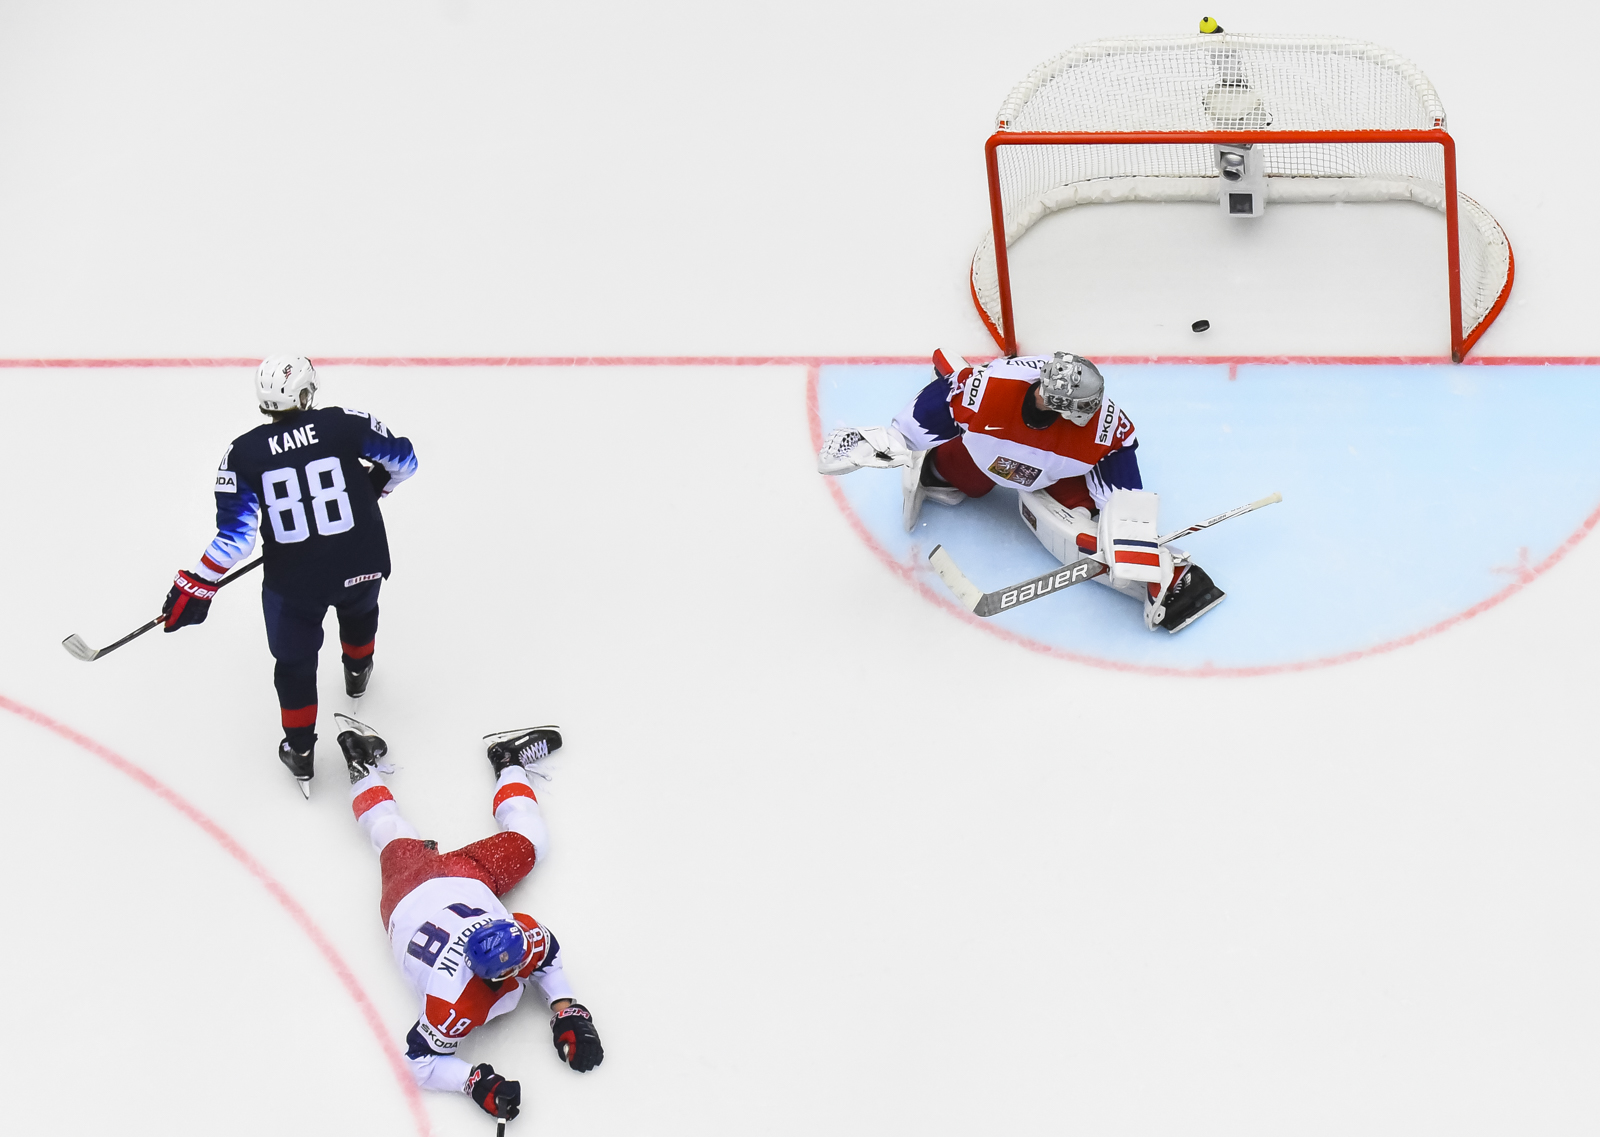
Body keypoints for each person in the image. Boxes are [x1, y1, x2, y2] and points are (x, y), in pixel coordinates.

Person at [818, 349, 1224, 633]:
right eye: (1085, 408)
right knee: (956, 479)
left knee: (1090, 520)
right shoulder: (987, 389)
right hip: (986, 457)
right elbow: (932, 409)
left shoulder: (1104, 424)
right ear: (1057, 402)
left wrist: (1125, 521)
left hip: (1054, 473)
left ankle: (1169, 578)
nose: (1095, 413)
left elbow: (1119, 453)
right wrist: (883, 442)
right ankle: (937, 472)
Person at [159, 356, 418, 793]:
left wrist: (198, 583)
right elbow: (405, 462)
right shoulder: (343, 423)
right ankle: (358, 673)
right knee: (360, 613)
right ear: (305, 392)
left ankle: (300, 751)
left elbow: (236, 540)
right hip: (362, 558)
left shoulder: (242, 453)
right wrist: (374, 487)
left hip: (296, 580)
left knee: (295, 665)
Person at [337, 717, 604, 1122]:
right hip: (438, 887)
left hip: (427, 886)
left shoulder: (512, 943)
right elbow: (416, 1065)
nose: (527, 955)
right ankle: (507, 765)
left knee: (388, 829)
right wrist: (475, 1080)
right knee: (529, 837)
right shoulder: (453, 1001)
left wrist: (565, 1010)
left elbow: (543, 953)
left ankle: (362, 768)